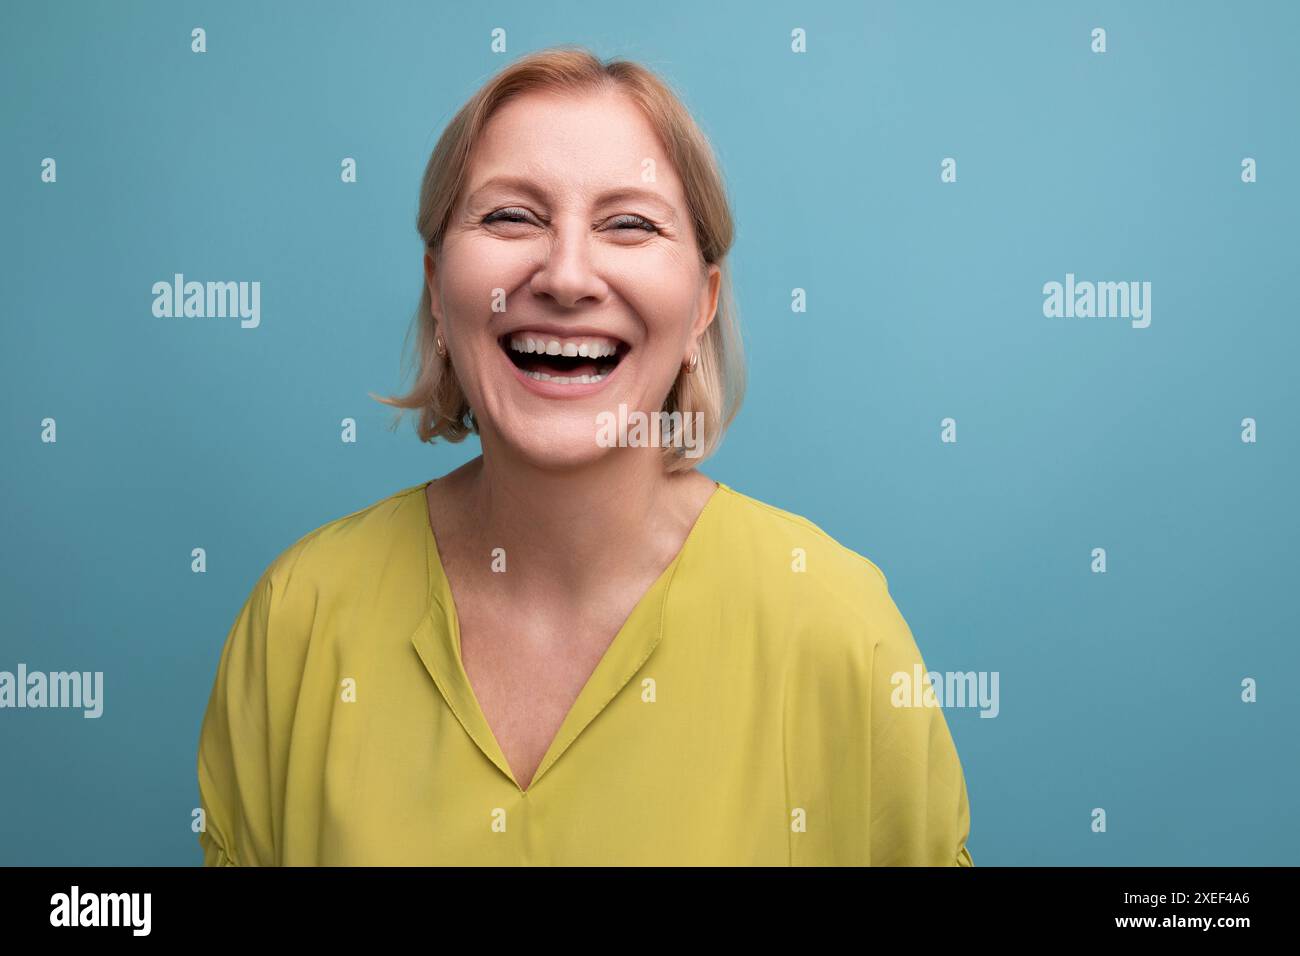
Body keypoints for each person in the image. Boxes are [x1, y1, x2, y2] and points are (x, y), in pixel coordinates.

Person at [195, 46, 973, 866]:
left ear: (702, 305)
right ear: (436, 287)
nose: (566, 276)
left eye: (630, 224)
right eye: (511, 217)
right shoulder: (300, 622)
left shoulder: (840, 631)